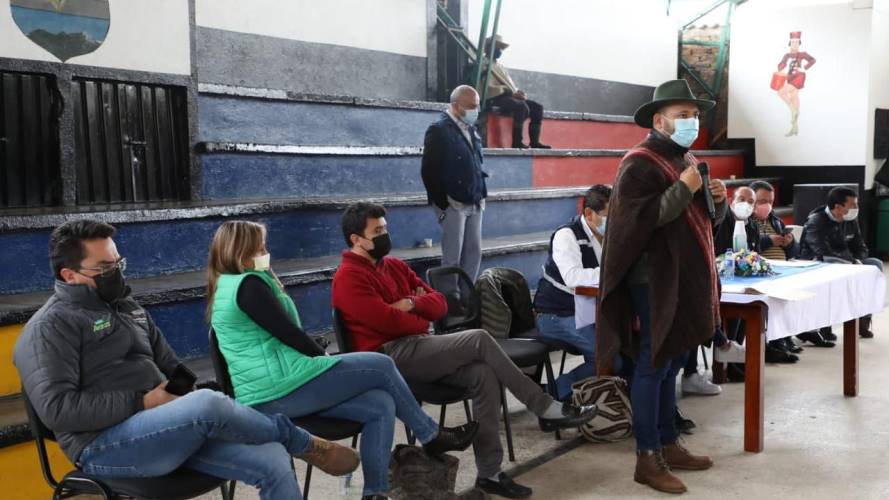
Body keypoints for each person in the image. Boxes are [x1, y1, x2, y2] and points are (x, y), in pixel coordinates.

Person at [13, 220, 359, 500]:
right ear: (69, 275)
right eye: (104, 267)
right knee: (209, 403)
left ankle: (284, 440)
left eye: (118, 263)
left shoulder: (127, 307)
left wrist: (181, 395)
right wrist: (145, 401)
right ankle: (302, 442)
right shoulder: (48, 328)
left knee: (269, 458)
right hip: (103, 446)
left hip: (163, 427)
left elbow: (172, 365)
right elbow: (59, 409)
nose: (116, 272)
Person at [331, 202, 597, 499]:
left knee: (484, 374)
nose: (385, 234)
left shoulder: (393, 266)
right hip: (389, 357)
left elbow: (440, 304)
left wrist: (411, 304)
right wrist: (417, 311)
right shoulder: (348, 277)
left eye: (386, 228)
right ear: (356, 239)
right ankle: (544, 406)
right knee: (478, 339)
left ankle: (490, 474)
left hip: (420, 346)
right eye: (377, 231)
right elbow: (386, 323)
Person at [207, 221, 479, 500]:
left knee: (380, 403)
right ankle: (431, 434)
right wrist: (322, 357)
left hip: (281, 384)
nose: (265, 250)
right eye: (259, 245)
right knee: (381, 365)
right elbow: (288, 332)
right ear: (242, 249)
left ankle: (375, 494)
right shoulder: (248, 284)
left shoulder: (229, 284)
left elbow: (275, 337)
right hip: (275, 392)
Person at [598, 79, 722, 494]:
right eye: (683, 115)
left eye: (695, 114)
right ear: (659, 120)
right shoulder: (639, 162)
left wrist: (715, 200)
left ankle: (669, 442)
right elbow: (641, 221)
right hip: (653, 279)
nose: (692, 121)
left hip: (683, 275)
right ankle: (646, 457)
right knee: (653, 362)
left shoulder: (683, 157)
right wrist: (686, 188)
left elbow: (702, 222)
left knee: (672, 358)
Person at [532, 185, 610, 401]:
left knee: (625, 350)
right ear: (588, 214)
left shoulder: (609, 236)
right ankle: (549, 395)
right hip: (555, 315)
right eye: (607, 216)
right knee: (605, 357)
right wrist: (612, 272)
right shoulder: (566, 235)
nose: (612, 223)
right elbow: (573, 278)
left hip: (588, 312)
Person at [421, 85, 488, 281]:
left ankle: (469, 297)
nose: (475, 111)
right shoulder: (438, 130)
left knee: (474, 252)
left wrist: (481, 193)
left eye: (477, 106)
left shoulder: (472, 129)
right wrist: (443, 204)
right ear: (456, 106)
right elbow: (428, 171)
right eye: (471, 106)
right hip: (454, 202)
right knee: (452, 257)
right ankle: (450, 300)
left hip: (475, 199)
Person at [800, 186, 882, 339]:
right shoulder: (816, 221)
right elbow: (822, 251)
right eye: (853, 205)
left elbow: (861, 247)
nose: (856, 209)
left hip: (848, 261)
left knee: (875, 265)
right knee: (831, 273)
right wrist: (850, 262)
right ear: (838, 207)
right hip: (820, 263)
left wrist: (857, 260)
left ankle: (863, 318)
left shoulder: (850, 220)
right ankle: (825, 324)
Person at [747, 180, 817, 356]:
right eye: (762, 201)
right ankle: (771, 343)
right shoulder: (745, 222)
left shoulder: (776, 221)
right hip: (758, 271)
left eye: (770, 202)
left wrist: (789, 242)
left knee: (803, 288)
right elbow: (745, 248)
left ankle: (786, 336)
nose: (767, 206)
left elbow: (794, 252)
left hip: (781, 269)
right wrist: (768, 240)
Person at [482, 34, 550, 149]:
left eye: (501, 48)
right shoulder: (483, 64)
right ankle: (517, 142)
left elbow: (510, 85)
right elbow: (488, 87)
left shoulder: (500, 66)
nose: (500, 50)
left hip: (509, 96)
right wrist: (508, 92)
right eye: (498, 47)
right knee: (521, 106)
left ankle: (534, 142)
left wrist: (518, 93)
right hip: (497, 98)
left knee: (537, 107)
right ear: (490, 47)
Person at [775, 31, 815, 137]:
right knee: (793, 97)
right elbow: (781, 65)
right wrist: (782, 66)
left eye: (797, 43)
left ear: (799, 43)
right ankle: (794, 128)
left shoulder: (803, 54)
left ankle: (792, 110)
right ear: (790, 43)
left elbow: (812, 60)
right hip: (789, 78)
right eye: (793, 42)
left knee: (780, 92)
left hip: (799, 77)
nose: (795, 45)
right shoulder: (787, 55)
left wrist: (805, 67)